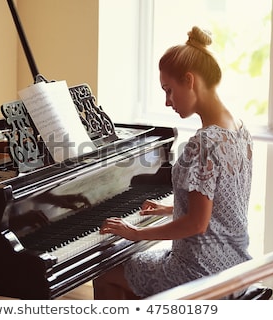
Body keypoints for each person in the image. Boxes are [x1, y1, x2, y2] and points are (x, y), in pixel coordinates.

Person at [93, 26, 253, 299]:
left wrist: (135, 233)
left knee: (105, 275)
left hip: (199, 272)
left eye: (169, 90)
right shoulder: (239, 130)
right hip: (234, 263)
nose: (168, 102)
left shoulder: (204, 143)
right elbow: (221, 205)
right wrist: (171, 208)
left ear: (189, 80)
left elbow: (196, 225)